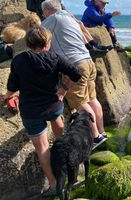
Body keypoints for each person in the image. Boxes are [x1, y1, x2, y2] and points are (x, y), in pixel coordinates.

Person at [5, 26, 81, 196]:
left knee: (43, 148)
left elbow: (12, 86)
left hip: (31, 111)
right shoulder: (55, 57)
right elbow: (76, 73)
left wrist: (6, 97)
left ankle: (54, 185)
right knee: (61, 136)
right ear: (47, 41)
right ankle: (69, 169)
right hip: (54, 106)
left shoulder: (19, 60)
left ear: (28, 43)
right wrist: (63, 89)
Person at [41, 0, 107, 148]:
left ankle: (95, 137)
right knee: (92, 99)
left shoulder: (54, 18)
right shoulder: (69, 17)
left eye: (43, 13)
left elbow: (38, 33)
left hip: (75, 64)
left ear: (47, 11)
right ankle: (101, 132)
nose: (43, 15)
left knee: (79, 102)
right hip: (88, 61)